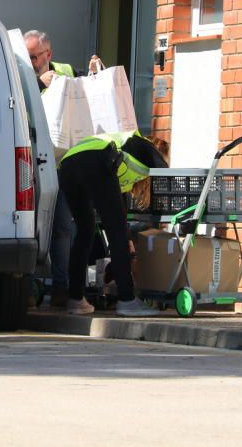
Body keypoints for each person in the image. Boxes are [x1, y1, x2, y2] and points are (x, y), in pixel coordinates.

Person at [57, 130, 167, 317]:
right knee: (115, 230)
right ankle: (127, 300)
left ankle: (75, 299)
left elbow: (120, 211)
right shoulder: (145, 146)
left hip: (67, 165)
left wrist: (128, 239)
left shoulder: (125, 159)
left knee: (85, 230)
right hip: (97, 158)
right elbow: (166, 172)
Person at [22, 29, 93, 307]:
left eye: (34, 57)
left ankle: (60, 289)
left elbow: (86, 94)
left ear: (48, 54)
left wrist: (92, 73)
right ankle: (26, 288)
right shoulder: (21, 74)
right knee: (30, 228)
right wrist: (38, 82)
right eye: (27, 57)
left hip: (61, 162)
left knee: (63, 228)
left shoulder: (65, 71)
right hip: (32, 163)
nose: (30, 62)